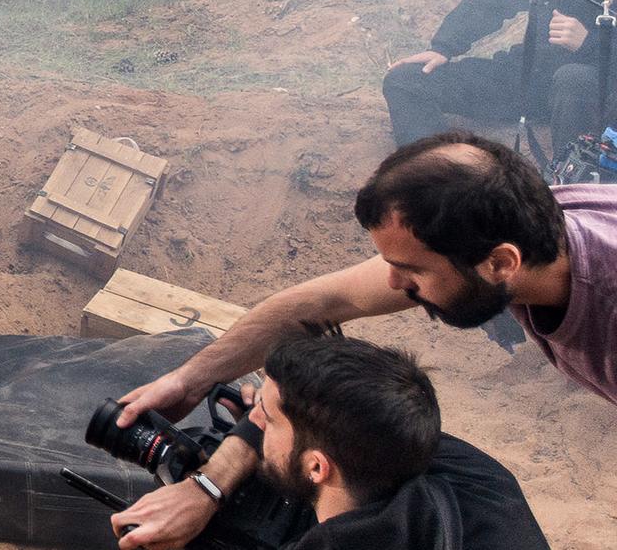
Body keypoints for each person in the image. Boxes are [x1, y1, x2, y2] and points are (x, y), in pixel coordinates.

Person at [107, 133, 614, 548]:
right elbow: (322, 304)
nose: (393, 286)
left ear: (502, 264)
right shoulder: (538, 226)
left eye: (411, 270)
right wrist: (191, 380)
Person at [115, 334, 547, 550]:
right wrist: (209, 486)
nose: (252, 422)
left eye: (265, 417)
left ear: (318, 467)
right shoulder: (480, 479)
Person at [383, 0, 617, 153]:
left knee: (573, 79)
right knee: (405, 80)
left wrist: (590, 43)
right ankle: (437, 172)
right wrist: (444, 45)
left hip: (596, 95)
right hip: (528, 81)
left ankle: (576, 187)